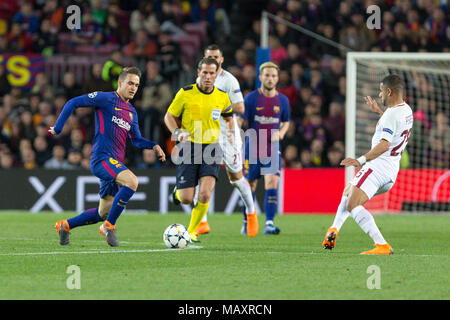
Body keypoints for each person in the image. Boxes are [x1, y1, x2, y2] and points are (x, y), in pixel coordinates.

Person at [50, 67, 166, 247]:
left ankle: (65, 225)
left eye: (136, 85)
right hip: (101, 159)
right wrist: (58, 128)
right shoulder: (105, 98)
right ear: (120, 83)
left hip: (114, 164)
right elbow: (73, 102)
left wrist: (153, 145)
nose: (133, 88)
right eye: (130, 83)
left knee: (102, 212)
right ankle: (109, 227)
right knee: (132, 182)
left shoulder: (131, 112)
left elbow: (136, 140)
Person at [322, 74, 413, 255]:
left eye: (381, 91)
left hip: (377, 167)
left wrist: (360, 160)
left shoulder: (391, 115)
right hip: (390, 172)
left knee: (352, 204)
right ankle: (333, 229)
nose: (380, 96)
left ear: (389, 91)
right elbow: (394, 126)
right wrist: (380, 112)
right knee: (349, 191)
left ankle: (381, 245)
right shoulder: (406, 111)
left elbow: (385, 144)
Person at [188, 44, 258, 238]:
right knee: (199, 176)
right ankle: (201, 222)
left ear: (222, 59)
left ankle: (251, 213)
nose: (214, 60)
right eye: (209, 57)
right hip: (206, 133)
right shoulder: (201, 78)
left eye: (216, 57)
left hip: (228, 135)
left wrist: (219, 107)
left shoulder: (229, 80)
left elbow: (241, 107)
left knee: (236, 179)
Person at [164, 57, 234, 243]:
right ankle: (177, 193)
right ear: (198, 73)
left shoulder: (222, 96)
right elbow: (169, 116)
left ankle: (192, 231)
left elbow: (228, 116)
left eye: (212, 73)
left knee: (204, 193)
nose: (208, 76)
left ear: (217, 74)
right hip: (189, 147)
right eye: (205, 72)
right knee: (187, 198)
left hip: (212, 148)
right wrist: (176, 131)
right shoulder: (185, 93)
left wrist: (232, 133)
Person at [238, 61, 290, 235]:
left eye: (273, 76)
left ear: (277, 78)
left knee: (272, 182)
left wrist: (281, 132)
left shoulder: (283, 100)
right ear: (260, 77)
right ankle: (248, 222)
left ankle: (269, 223)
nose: (270, 78)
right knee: (250, 184)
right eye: (267, 75)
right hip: (253, 146)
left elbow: (286, 121)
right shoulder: (251, 98)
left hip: (272, 147)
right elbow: (241, 119)